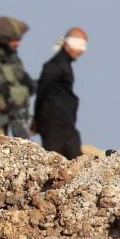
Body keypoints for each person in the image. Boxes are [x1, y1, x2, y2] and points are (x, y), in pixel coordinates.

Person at [32, 28, 88, 159]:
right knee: (52, 162)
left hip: (66, 125)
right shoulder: (55, 65)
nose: (82, 50)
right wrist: (36, 119)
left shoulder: (65, 65)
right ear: (68, 44)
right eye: (80, 45)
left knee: (77, 162)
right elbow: (42, 91)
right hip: (54, 126)